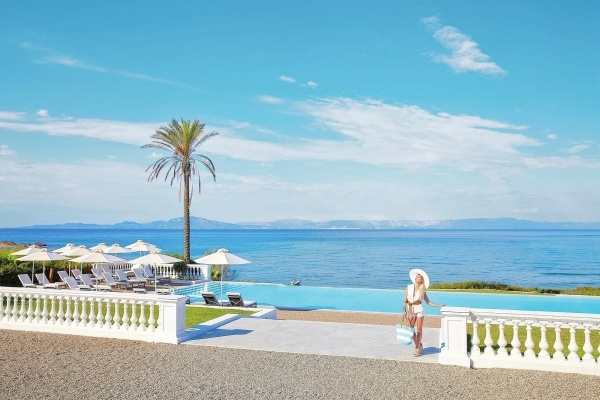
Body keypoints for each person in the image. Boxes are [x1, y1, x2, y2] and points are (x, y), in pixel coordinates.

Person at [403, 268, 445, 357]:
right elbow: (405, 300)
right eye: (417, 277)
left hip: (419, 309)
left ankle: (417, 348)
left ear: (422, 280)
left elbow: (428, 302)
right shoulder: (409, 287)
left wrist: (438, 305)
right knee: (410, 329)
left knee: (419, 329)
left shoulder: (423, 289)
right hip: (410, 309)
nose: (417, 278)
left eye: (419, 277)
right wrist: (404, 311)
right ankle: (419, 345)